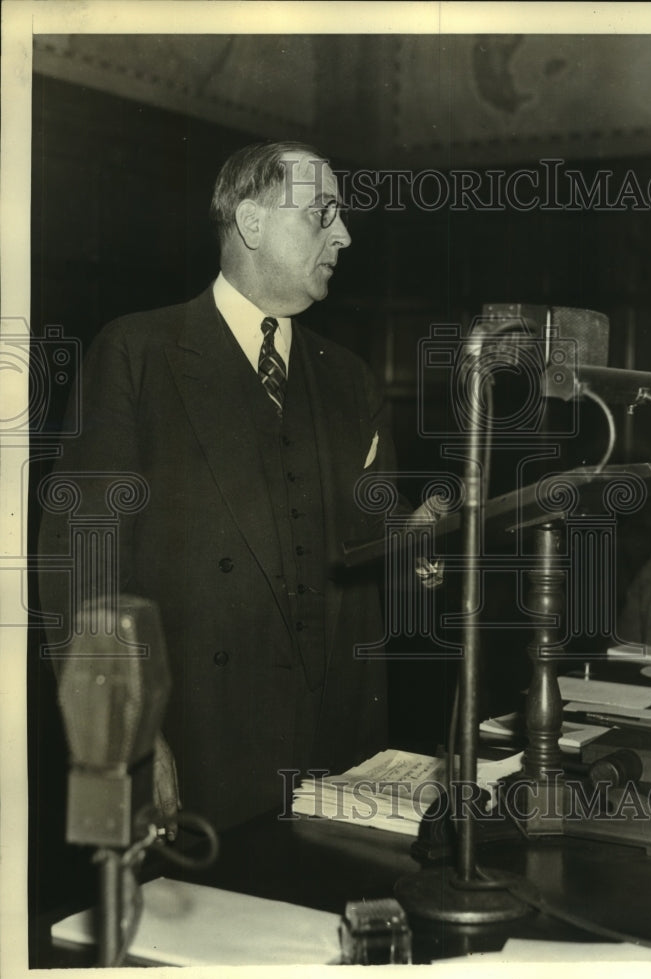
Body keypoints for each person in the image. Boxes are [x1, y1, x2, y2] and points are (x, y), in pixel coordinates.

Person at [38, 141, 440, 836]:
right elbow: (82, 567)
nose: (343, 235)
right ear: (251, 224)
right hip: (196, 752)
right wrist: (130, 739)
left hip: (338, 756)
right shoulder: (137, 354)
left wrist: (414, 548)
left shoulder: (349, 378)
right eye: (323, 214)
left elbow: (363, 551)